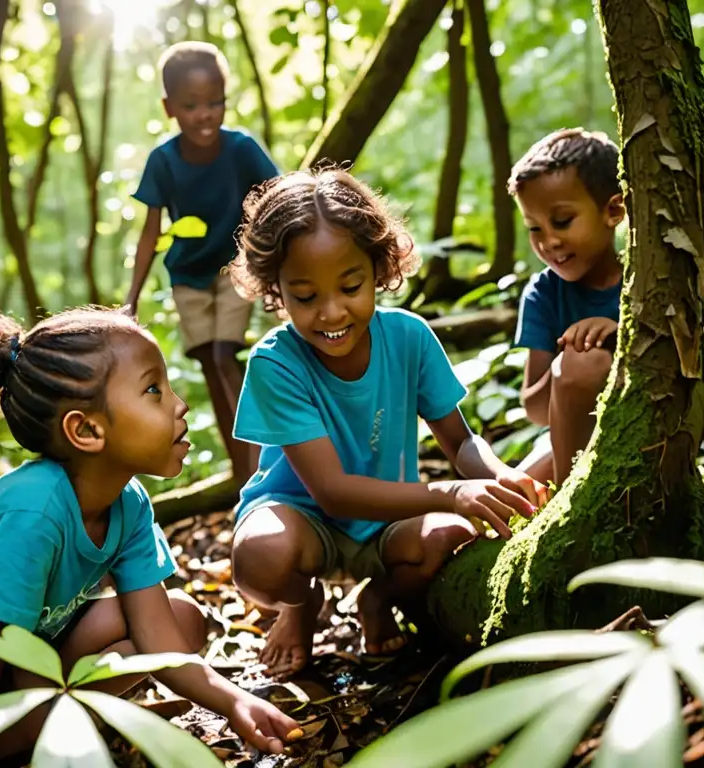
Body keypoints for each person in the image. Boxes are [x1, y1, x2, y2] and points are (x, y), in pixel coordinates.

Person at [0, 307, 297, 765]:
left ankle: (1, 744)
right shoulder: (33, 508)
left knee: (183, 619)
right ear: (87, 430)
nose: (179, 404)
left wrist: (235, 701)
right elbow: (2, 645)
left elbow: (159, 640)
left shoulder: (127, 502)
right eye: (154, 389)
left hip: (26, 644)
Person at [226, 169, 548, 677]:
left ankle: (375, 601)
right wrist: (448, 493)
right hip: (302, 519)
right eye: (305, 297)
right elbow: (332, 492)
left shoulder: (409, 338)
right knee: (260, 557)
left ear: (378, 269)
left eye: (350, 286)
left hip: (387, 522)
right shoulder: (276, 362)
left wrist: (495, 476)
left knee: (449, 534)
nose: (331, 313)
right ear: (276, 289)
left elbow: (460, 441)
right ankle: (300, 605)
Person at [124, 41, 279, 485]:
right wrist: (131, 299)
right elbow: (151, 233)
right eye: (192, 105)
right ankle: (240, 468)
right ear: (170, 107)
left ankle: (258, 464)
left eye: (216, 102)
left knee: (223, 352)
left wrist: (278, 266)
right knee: (210, 366)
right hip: (187, 277)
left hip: (237, 266)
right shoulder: (163, 161)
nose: (205, 114)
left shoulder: (242, 148)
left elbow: (277, 199)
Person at [508, 128, 626, 487]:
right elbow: (535, 409)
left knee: (586, 363)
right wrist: (565, 365)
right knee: (510, 495)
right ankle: (568, 507)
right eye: (534, 228)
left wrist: (616, 339)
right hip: (568, 437)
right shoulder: (544, 293)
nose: (549, 241)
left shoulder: (647, 277)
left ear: (613, 210)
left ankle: (577, 516)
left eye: (562, 221)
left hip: (641, 431)